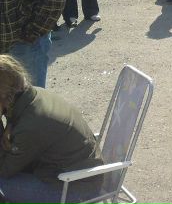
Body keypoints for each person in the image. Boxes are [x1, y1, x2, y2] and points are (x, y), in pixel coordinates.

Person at [0, 56, 104, 203]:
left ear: (4, 95)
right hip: (80, 171)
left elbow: (4, 170)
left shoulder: (31, 127)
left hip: (75, 187)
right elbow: (17, 115)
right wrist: (9, 124)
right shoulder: (34, 94)